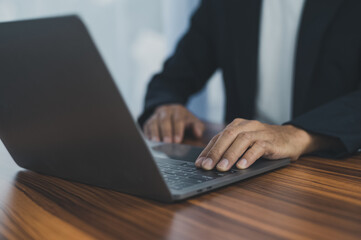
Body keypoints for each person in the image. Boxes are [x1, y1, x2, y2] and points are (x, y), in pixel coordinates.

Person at [138, 0, 361, 172]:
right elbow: (175, 75)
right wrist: (166, 105)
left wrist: (298, 135)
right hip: (241, 171)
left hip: (328, 171)